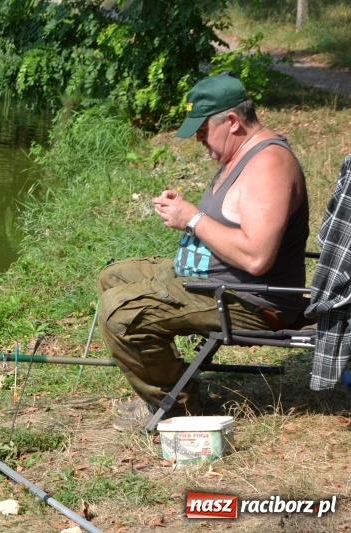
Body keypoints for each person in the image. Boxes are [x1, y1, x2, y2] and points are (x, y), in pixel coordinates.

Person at [96, 73, 309, 431]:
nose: (196, 137)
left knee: (119, 313)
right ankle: (168, 382)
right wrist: (187, 212)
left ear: (232, 121)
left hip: (247, 301)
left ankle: (178, 407)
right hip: (211, 280)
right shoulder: (239, 155)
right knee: (114, 276)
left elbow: (257, 258)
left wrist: (192, 218)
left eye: (202, 128)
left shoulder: (267, 165)